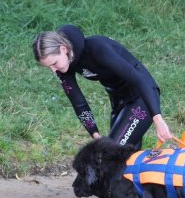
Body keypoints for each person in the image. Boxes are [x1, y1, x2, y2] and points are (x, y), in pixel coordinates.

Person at [33, 24, 173, 148]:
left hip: (142, 98)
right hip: (119, 103)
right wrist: (95, 135)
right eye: (49, 66)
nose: (53, 70)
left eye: (54, 63)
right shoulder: (63, 68)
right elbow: (79, 103)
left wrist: (158, 119)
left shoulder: (97, 49)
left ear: (63, 49)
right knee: (122, 160)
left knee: (110, 155)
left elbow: (139, 79)